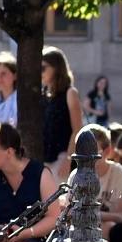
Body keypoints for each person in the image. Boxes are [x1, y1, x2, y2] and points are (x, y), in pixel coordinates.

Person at [66, 124, 122, 242]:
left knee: (105, 228)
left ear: (107, 151)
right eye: (81, 152)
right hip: (82, 227)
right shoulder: (75, 176)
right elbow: (69, 213)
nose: (85, 158)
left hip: (108, 228)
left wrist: (88, 214)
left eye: (91, 152)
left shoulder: (120, 174)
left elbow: (120, 216)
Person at [40, 46, 83, 179]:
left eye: (43, 68)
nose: (40, 72)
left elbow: (77, 130)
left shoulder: (70, 93)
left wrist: (68, 160)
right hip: (45, 157)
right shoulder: (44, 95)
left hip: (63, 156)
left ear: (56, 68)